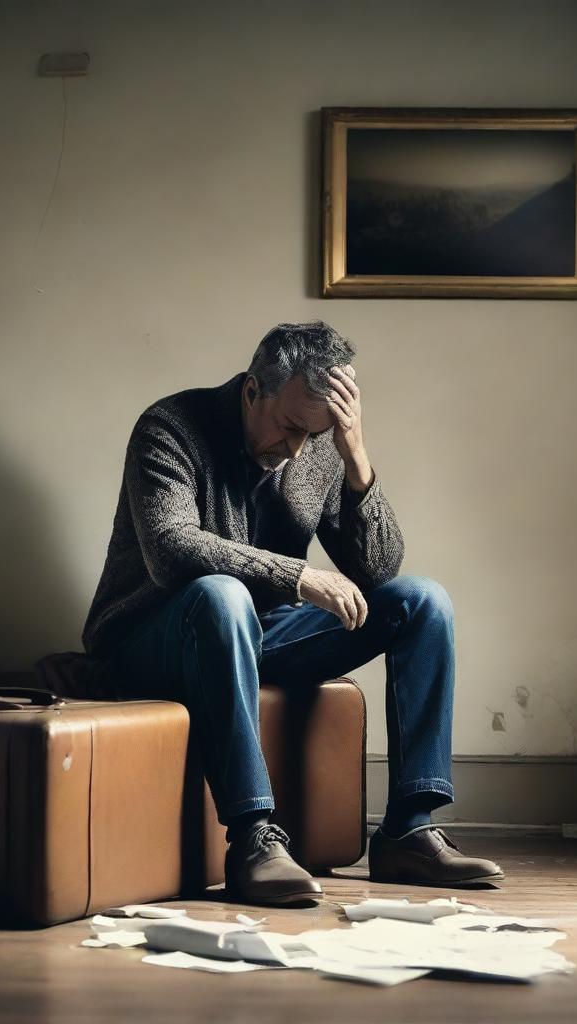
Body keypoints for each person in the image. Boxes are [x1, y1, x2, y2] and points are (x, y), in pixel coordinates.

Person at [81, 321, 502, 905]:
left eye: (318, 433)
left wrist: (356, 460)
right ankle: (253, 836)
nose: (298, 449)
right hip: (152, 638)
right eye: (290, 427)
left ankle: (410, 826)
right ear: (254, 390)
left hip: (259, 635)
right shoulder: (170, 428)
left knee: (422, 600)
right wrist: (297, 576)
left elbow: (378, 570)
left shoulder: (319, 448)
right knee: (220, 594)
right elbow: (171, 548)